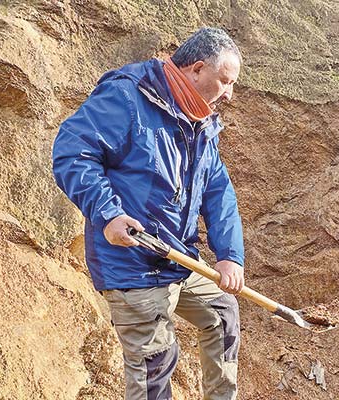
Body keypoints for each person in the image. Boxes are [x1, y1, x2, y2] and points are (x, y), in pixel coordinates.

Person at [52, 27, 245, 400]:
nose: (229, 94)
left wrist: (229, 255)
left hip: (176, 258)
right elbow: (72, 153)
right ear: (196, 70)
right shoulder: (127, 96)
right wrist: (108, 215)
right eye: (224, 81)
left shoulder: (199, 122)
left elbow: (218, 191)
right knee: (155, 364)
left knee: (223, 313)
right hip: (131, 265)